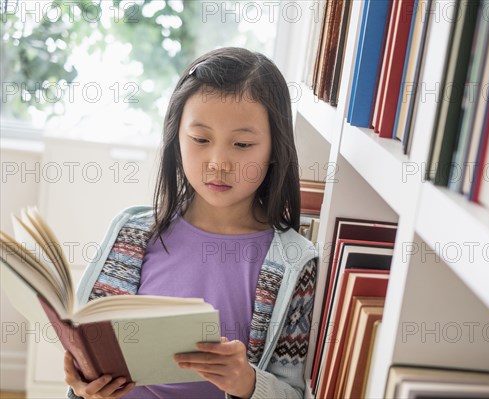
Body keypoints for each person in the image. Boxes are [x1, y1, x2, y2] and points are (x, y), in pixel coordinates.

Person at [63, 47, 318, 399]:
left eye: (242, 144)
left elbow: (293, 392)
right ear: (176, 138)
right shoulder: (131, 235)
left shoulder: (295, 264)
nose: (218, 162)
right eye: (200, 139)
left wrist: (247, 382)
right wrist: (82, 382)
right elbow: (87, 354)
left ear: (275, 149)